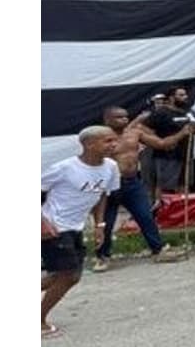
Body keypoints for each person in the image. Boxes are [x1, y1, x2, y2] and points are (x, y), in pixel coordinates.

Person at [42, 126, 120, 338]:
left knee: (66, 275)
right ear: (88, 144)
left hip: (75, 226)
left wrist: (100, 225)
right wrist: (41, 221)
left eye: (114, 140)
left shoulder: (111, 167)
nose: (114, 145)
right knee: (69, 275)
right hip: (54, 226)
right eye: (107, 141)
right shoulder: (65, 168)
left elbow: (102, 194)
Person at [92, 106, 185, 271]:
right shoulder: (99, 137)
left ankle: (158, 250)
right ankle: (102, 256)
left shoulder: (135, 133)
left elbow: (161, 144)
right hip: (108, 185)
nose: (124, 120)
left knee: (146, 216)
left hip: (132, 182)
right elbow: (91, 161)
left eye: (126, 117)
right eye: (119, 117)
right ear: (107, 120)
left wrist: (183, 133)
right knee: (105, 222)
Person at [145, 85, 195, 203]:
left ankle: (180, 210)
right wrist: (160, 142)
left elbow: (191, 130)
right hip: (167, 156)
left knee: (183, 183)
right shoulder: (162, 112)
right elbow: (145, 129)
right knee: (166, 186)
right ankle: (162, 209)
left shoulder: (186, 112)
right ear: (172, 98)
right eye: (181, 95)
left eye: (185, 95)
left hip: (184, 153)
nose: (185, 97)